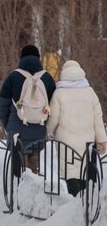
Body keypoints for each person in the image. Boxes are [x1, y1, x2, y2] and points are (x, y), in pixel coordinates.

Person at [46, 60, 107, 196]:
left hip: (67, 143)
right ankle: (88, 206)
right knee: (88, 174)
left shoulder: (59, 93)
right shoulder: (90, 92)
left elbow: (53, 119)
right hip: (88, 142)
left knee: (71, 173)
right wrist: (102, 140)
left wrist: (47, 132)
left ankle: (74, 205)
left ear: (64, 74)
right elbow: (98, 119)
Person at [0, 44, 57, 173]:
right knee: (33, 173)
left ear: (21, 57)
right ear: (38, 58)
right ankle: (32, 189)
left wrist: (8, 125)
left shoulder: (12, 77)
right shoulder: (47, 78)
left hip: (17, 131)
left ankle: (17, 191)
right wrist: (44, 124)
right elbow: (53, 106)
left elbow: (3, 106)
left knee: (17, 172)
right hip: (38, 129)